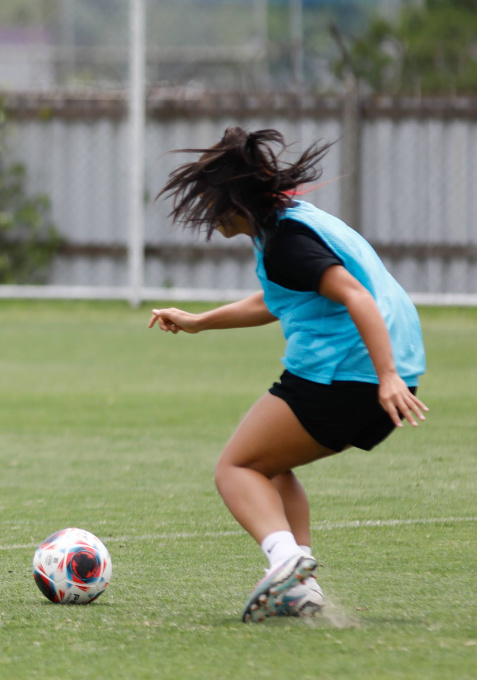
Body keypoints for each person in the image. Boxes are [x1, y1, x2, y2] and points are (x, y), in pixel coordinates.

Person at [150, 127, 427, 623]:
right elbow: (278, 299)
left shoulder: (286, 244)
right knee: (271, 466)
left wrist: (383, 376)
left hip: (348, 374)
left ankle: (287, 559)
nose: (205, 214)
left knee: (235, 469)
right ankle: (302, 589)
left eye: (209, 202)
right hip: (385, 374)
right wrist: (199, 321)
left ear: (234, 201)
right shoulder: (294, 227)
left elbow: (356, 297)